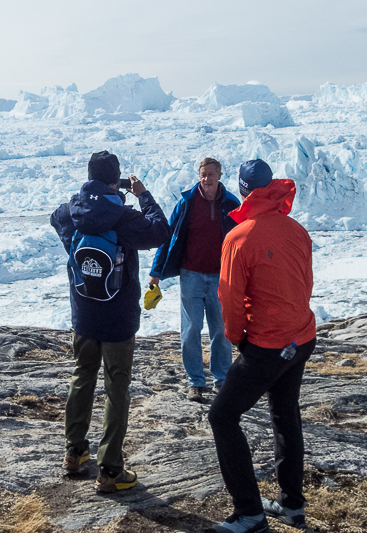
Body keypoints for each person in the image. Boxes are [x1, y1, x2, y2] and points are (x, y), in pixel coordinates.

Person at [51, 150, 171, 494]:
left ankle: (74, 452)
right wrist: (143, 196)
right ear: (114, 180)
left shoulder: (72, 210)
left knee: (82, 375)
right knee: (116, 386)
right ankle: (111, 469)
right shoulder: (123, 216)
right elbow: (159, 232)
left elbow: (55, 219)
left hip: (84, 314)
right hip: (118, 318)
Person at [207, 158, 316, 533]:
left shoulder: (239, 238)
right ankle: (291, 506)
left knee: (222, 416)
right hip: (301, 337)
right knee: (285, 412)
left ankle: (250, 514)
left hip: (268, 344)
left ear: (241, 190)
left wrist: (239, 340)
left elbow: (230, 300)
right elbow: (306, 283)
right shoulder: (296, 230)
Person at [149, 157, 241, 401]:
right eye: (203, 174)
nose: (206, 179)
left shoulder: (231, 203)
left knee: (220, 330)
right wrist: (156, 272)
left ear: (220, 175)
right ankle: (196, 382)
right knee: (190, 330)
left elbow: (244, 241)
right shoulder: (186, 203)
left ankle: (221, 380)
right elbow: (168, 237)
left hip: (221, 277)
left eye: (211, 174)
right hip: (191, 275)